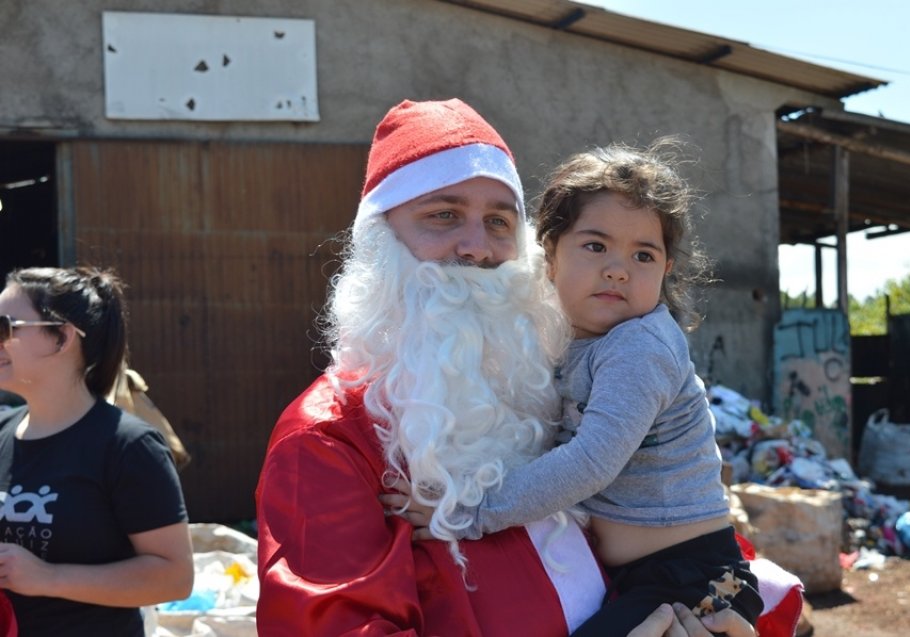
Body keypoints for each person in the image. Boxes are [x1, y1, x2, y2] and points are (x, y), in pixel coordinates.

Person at [255, 98, 793, 637]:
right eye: (443, 215)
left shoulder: (531, 382)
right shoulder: (326, 440)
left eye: (498, 221)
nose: (477, 249)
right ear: (379, 240)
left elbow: (655, 512)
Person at [390, 140, 770, 636]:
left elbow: (591, 461)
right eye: (596, 246)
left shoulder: (640, 347)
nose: (619, 268)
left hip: (693, 579)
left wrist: (471, 511)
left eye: (644, 254)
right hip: (643, 576)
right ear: (548, 255)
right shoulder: (562, 340)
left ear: (666, 271)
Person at [0, 266, 194, 636]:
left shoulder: (128, 445)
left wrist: (49, 578)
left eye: (5, 327)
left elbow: (175, 578)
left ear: (61, 338)